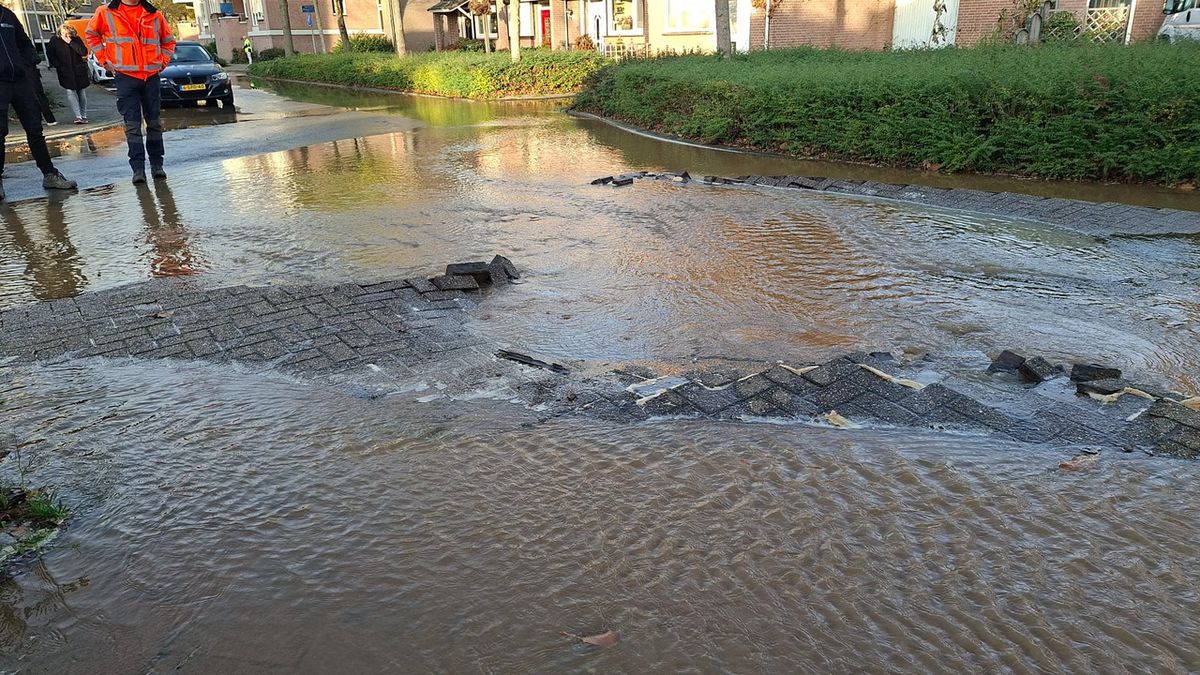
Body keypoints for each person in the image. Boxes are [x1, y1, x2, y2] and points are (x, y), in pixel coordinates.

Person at [85, 0, 176, 183]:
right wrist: (104, 60)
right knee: (133, 126)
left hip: (150, 76)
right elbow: (91, 35)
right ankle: (138, 170)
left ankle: (157, 166)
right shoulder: (105, 12)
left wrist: (162, 62)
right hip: (126, 76)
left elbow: (168, 41)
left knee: (154, 123)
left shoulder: (154, 14)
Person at [0, 3, 78, 200]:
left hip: (20, 80)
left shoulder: (6, 15)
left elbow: (25, 43)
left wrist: (26, 64)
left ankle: (50, 174)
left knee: (35, 128)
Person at [47, 24, 90, 124]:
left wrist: (71, 42)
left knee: (81, 92)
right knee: (70, 91)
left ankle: (83, 115)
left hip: (78, 70)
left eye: (68, 34)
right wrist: (57, 65)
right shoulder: (55, 40)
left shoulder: (76, 39)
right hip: (65, 70)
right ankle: (78, 116)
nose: (66, 36)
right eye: (63, 34)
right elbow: (50, 53)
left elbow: (83, 52)